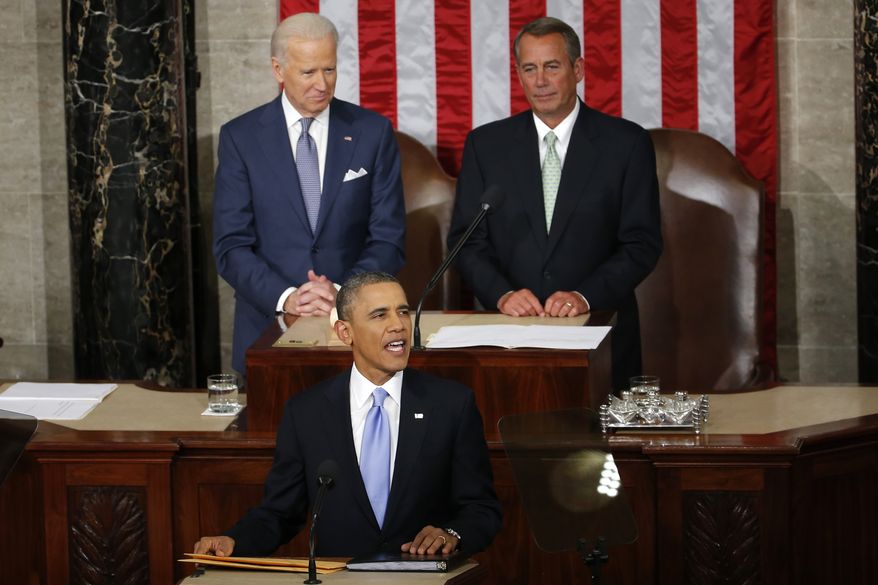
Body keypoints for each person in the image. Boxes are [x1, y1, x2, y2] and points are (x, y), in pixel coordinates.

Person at [194, 272, 502, 558]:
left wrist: (452, 534)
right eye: (380, 314)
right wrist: (234, 540)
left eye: (403, 312)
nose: (398, 325)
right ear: (345, 332)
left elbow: (481, 509)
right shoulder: (306, 412)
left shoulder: (451, 405)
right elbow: (280, 513)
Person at [448, 17, 662, 392]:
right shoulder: (487, 145)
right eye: (530, 69)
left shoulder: (626, 144)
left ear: (577, 69)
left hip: (599, 334)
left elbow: (642, 244)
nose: (540, 80)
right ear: (519, 75)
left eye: (552, 66)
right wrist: (503, 294)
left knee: (599, 451)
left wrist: (584, 296)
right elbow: (467, 243)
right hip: (511, 338)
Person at [213, 13, 406, 374]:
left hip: (356, 331)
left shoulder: (372, 132)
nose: (322, 84)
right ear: (277, 69)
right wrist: (289, 298)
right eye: (308, 72)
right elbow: (231, 246)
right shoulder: (240, 138)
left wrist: (341, 293)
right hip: (268, 331)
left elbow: (389, 238)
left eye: (329, 70)